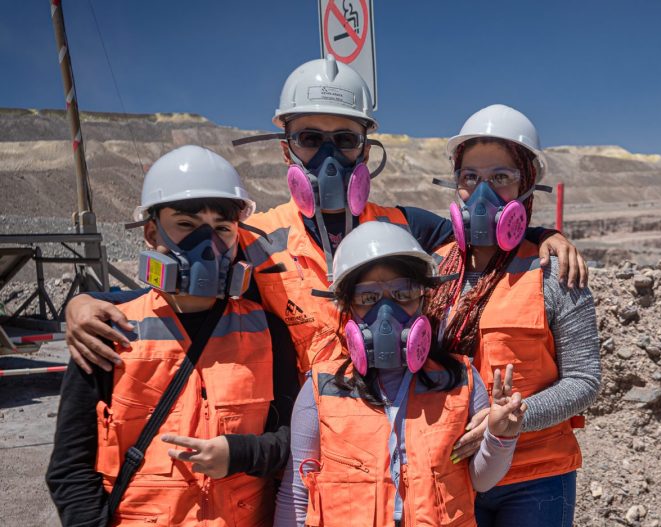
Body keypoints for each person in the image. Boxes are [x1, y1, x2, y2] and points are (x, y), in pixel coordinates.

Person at [62, 56, 588, 380]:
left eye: (346, 140)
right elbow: (185, 281)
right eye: (311, 139)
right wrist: (87, 301)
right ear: (286, 149)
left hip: (389, 423)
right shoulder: (257, 237)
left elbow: (489, 236)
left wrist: (546, 234)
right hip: (301, 437)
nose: (330, 157)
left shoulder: (407, 227)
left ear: (366, 147)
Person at [46, 146, 299, 527]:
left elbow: (295, 444)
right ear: (151, 234)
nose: (209, 242)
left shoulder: (267, 331)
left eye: (223, 229)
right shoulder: (108, 334)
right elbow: (70, 470)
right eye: (186, 224)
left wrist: (241, 453)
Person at [270, 221, 526, 527]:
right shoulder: (320, 388)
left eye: (404, 294)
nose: (387, 312)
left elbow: (480, 480)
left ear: (424, 299)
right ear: (347, 309)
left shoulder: (462, 381)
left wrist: (501, 434)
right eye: (369, 298)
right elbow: (296, 492)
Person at [425, 105, 601, 527]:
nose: (482, 192)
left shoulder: (555, 273)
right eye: (470, 177)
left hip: (534, 481)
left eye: (500, 177)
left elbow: (585, 381)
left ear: (526, 190)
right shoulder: (432, 271)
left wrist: (516, 417)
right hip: (460, 477)